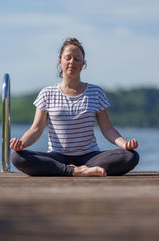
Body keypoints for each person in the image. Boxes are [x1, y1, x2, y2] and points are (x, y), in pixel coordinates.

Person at [10, 37, 139, 177]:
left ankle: (77, 169)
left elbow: (108, 129)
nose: (72, 62)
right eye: (68, 58)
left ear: (83, 63)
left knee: (130, 156)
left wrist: (124, 144)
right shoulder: (47, 93)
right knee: (17, 157)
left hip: (90, 157)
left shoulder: (95, 92)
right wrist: (21, 143)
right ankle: (76, 171)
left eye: (77, 59)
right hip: (57, 156)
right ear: (60, 61)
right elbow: (36, 129)